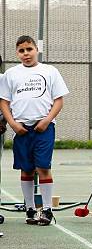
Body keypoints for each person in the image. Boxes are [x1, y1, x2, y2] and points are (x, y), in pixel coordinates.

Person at [0, 36, 69, 226]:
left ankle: (47, 209)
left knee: (43, 167)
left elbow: (59, 100)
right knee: (26, 169)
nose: (26, 54)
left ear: (36, 49)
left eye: (29, 49)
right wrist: (13, 124)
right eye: (21, 51)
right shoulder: (11, 74)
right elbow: (4, 102)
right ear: (17, 53)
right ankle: (30, 209)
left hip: (43, 128)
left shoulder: (50, 71)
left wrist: (47, 120)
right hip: (21, 128)